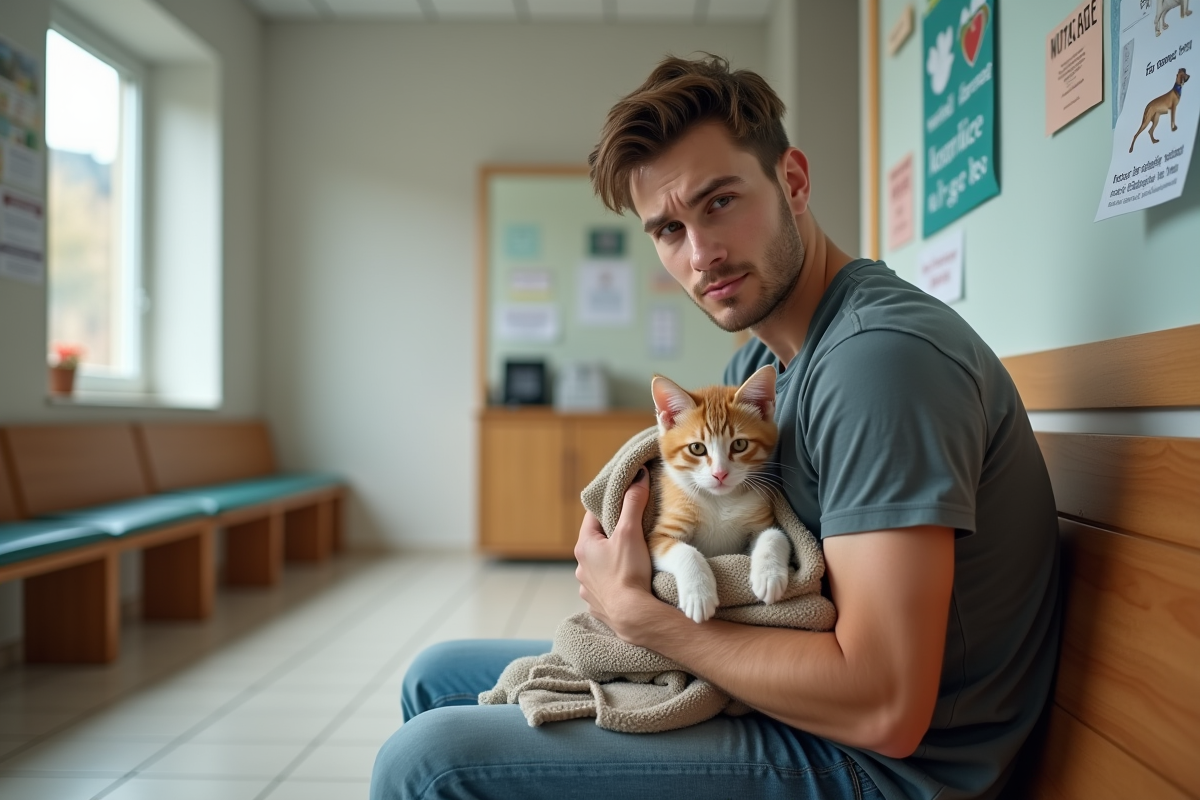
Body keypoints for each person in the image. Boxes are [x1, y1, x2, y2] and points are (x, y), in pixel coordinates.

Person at [371, 55, 1060, 800]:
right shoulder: (761, 361)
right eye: (668, 228)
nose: (699, 256)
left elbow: (884, 706)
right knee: (435, 676)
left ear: (793, 182)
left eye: (720, 202)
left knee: (428, 763)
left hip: (892, 770)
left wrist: (643, 619)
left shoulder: (878, 366)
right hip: (804, 704)